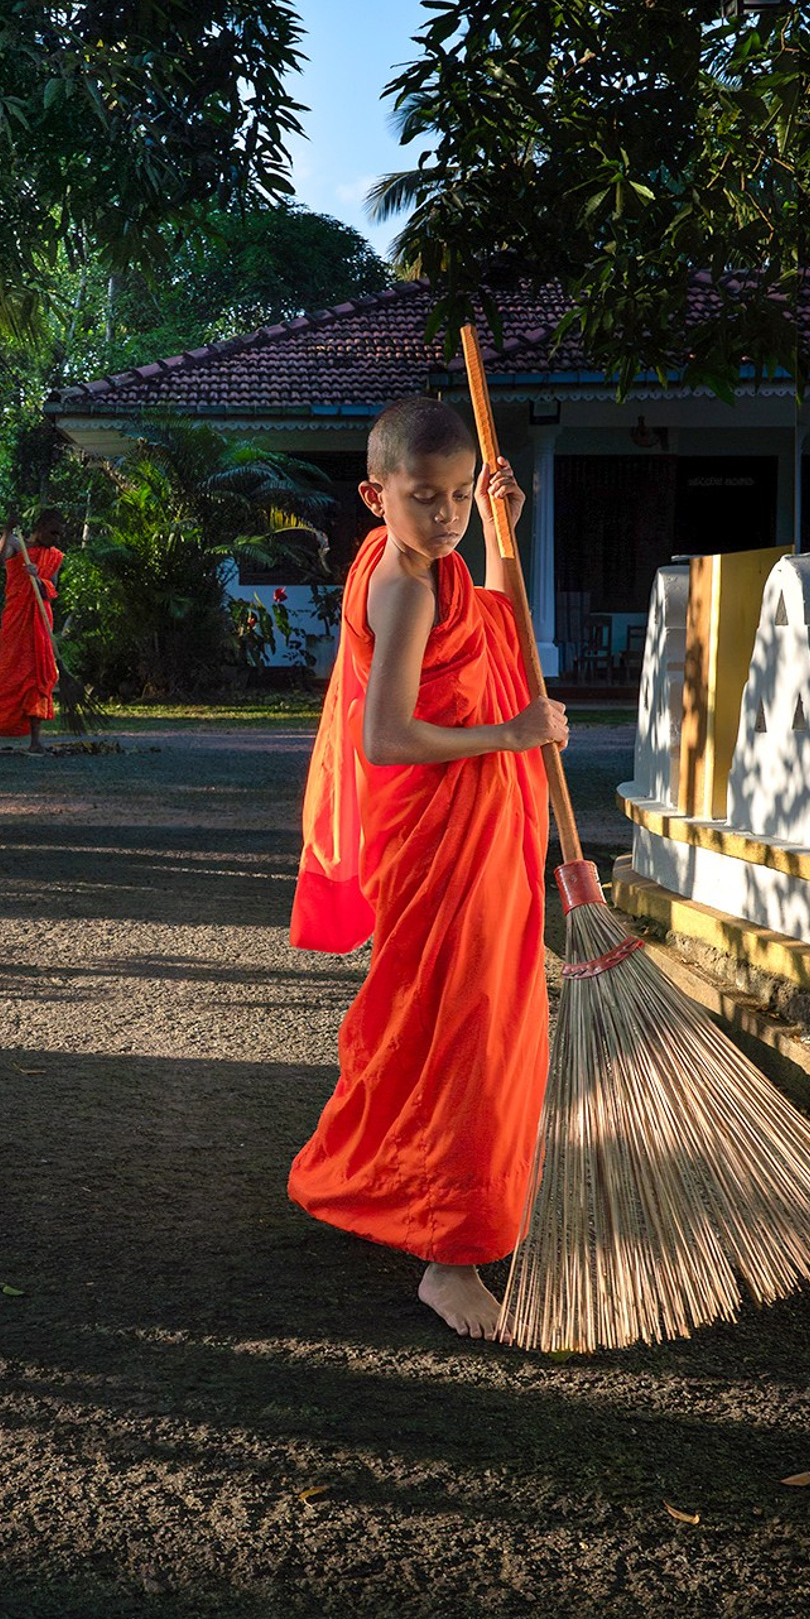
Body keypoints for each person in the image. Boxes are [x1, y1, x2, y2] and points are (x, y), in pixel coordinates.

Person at [285, 396, 568, 1340]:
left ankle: (399, 1182)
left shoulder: (431, 563)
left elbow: (489, 625)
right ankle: (451, 1256)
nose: (445, 513)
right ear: (375, 495)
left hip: (478, 826)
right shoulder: (402, 585)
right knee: (464, 1027)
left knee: (457, 1016)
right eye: (425, 497)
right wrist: (512, 731)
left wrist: (501, 530)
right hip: (439, 829)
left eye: (456, 496)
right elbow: (389, 734)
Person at [0, 508, 66, 754]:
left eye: (59, 534)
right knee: (9, 675)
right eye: (53, 532)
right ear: (40, 528)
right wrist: (7, 531)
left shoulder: (54, 556)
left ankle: (35, 740)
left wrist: (39, 580)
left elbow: (52, 588)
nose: (56, 538)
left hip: (40, 622)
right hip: (16, 620)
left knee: (39, 677)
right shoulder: (16, 544)